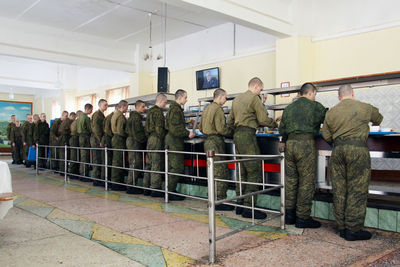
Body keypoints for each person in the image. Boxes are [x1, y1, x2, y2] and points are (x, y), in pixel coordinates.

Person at [321, 85, 383, 241]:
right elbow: (378, 118)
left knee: (340, 189)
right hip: (357, 150)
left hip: (338, 151)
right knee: (357, 189)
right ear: (353, 94)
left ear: (339, 97)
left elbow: (326, 135)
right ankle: (353, 229)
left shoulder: (331, 112)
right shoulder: (364, 107)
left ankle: (342, 227)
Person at [227, 77, 278, 219]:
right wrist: (275, 124)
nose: (260, 92)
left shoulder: (236, 99)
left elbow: (230, 121)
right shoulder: (255, 99)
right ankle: (249, 208)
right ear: (256, 87)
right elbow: (263, 119)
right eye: (261, 89)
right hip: (248, 136)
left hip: (237, 136)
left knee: (242, 170)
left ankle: (240, 204)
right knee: (253, 170)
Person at [279, 83, 326, 228]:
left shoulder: (288, 108)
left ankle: (289, 215)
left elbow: (282, 130)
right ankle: (302, 218)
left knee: (291, 180)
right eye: (314, 94)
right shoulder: (316, 107)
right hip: (305, 145)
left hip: (290, 146)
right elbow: (328, 122)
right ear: (311, 93)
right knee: (306, 181)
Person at [199, 88, 234, 210]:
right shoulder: (218, 109)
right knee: (221, 172)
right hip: (216, 142)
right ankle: (218, 201)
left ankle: (211, 198)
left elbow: (201, 128)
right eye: (225, 98)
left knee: (212, 172)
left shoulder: (206, 108)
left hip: (207, 141)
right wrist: (232, 131)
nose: (225, 100)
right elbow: (221, 129)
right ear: (220, 96)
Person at [164, 89, 195, 200]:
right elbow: (175, 128)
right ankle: (170, 191)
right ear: (180, 97)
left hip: (173, 140)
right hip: (174, 140)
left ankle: (171, 190)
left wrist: (186, 123)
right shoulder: (176, 110)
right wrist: (188, 133)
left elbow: (175, 124)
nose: (186, 100)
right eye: (185, 97)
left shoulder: (174, 109)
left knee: (174, 166)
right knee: (176, 167)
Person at [143, 93, 167, 196]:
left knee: (149, 164)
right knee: (156, 164)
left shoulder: (150, 111)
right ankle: (155, 188)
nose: (165, 105)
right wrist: (164, 137)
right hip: (156, 139)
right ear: (160, 101)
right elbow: (159, 129)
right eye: (165, 102)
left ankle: (146, 187)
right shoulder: (158, 112)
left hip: (149, 139)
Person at [126, 100, 147, 194]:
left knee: (134, 163)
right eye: (142, 106)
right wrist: (144, 140)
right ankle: (131, 186)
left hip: (132, 141)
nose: (144, 108)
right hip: (134, 142)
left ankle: (132, 185)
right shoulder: (136, 118)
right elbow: (137, 133)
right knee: (135, 163)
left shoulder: (133, 117)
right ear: (137, 107)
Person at [111, 100, 129, 191]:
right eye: (127, 107)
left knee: (116, 160)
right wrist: (127, 135)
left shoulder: (114, 114)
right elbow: (121, 130)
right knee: (118, 161)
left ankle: (115, 182)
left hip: (115, 138)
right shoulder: (121, 116)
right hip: (119, 139)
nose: (127, 109)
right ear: (124, 106)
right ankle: (117, 183)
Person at [91, 99, 108, 186]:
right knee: (97, 159)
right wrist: (100, 140)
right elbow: (96, 129)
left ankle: (99, 178)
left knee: (100, 159)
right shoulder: (97, 115)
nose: (106, 106)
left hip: (98, 139)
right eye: (105, 105)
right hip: (96, 140)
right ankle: (96, 179)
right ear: (100, 105)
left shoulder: (101, 115)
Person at [77, 104, 93, 181]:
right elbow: (90, 128)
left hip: (80, 137)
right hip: (85, 137)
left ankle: (82, 173)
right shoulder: (86, 118)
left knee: (83, 156)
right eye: (91, 110)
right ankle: (84, 175)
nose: (91, 111)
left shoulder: (79, 117)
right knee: (85, 156)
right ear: (88, 109)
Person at [102, 107, 115, 183]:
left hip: (106, 138)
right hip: (107, 139)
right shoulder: (111, 116)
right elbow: (107, 129)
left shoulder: (109, 116)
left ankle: (105, 178)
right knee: (107, 160)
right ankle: (105, 179)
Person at [69, 110, 82, 179]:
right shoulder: (76, 123)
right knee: (74, 156)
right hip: (74, 139)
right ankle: (72, 172)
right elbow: (75, 131)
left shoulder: (76, 122)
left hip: (76, 139)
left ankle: (76, 172)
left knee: (77, 156)